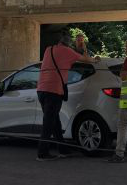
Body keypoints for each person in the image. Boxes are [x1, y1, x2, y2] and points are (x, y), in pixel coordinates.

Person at [36, 32, 100, 161]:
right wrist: (95, 58)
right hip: (54, 90)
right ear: (68, 43)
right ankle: (42, 153)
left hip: (41, 90)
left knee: (54, 121)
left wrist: (78, 48)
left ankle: (63, 149)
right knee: (49, 122)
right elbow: (87, 59)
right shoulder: (68, 52)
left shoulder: (49, 49)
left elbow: (64, 58)